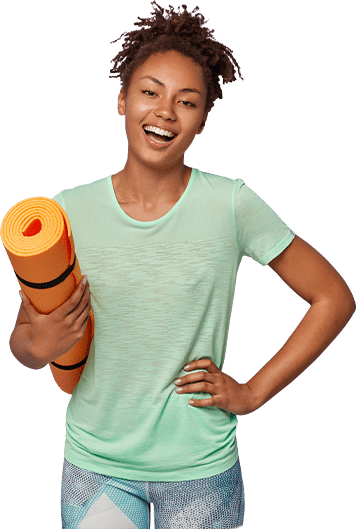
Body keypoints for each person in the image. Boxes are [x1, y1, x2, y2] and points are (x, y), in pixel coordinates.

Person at [10, 2, 355, 528]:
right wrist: (40, 343)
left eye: (186, 102)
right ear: (122, 101)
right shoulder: (65, 212)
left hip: (201, 473)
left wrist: (253, 391)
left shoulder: (230, 203)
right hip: (97, 466)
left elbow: (333, 297)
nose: (165, 112)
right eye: (149, 92)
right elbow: (23, 342)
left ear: (202, 120)